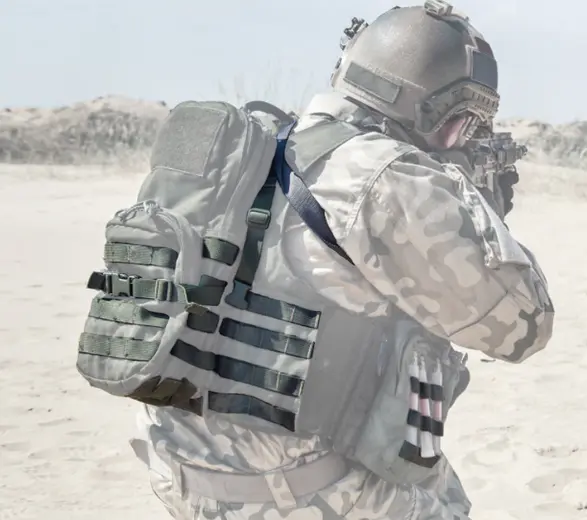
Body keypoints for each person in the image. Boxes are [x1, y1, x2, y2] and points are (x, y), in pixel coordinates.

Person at [127, 3, 554, 518]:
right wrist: (475, 203)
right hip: (287, 488)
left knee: (436, 477)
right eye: (459, 125)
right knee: (446, 504)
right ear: (427, 111)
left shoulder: (259, 146)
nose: (459, 140)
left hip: (174, 464)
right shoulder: (385, 176)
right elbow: (523, 327)